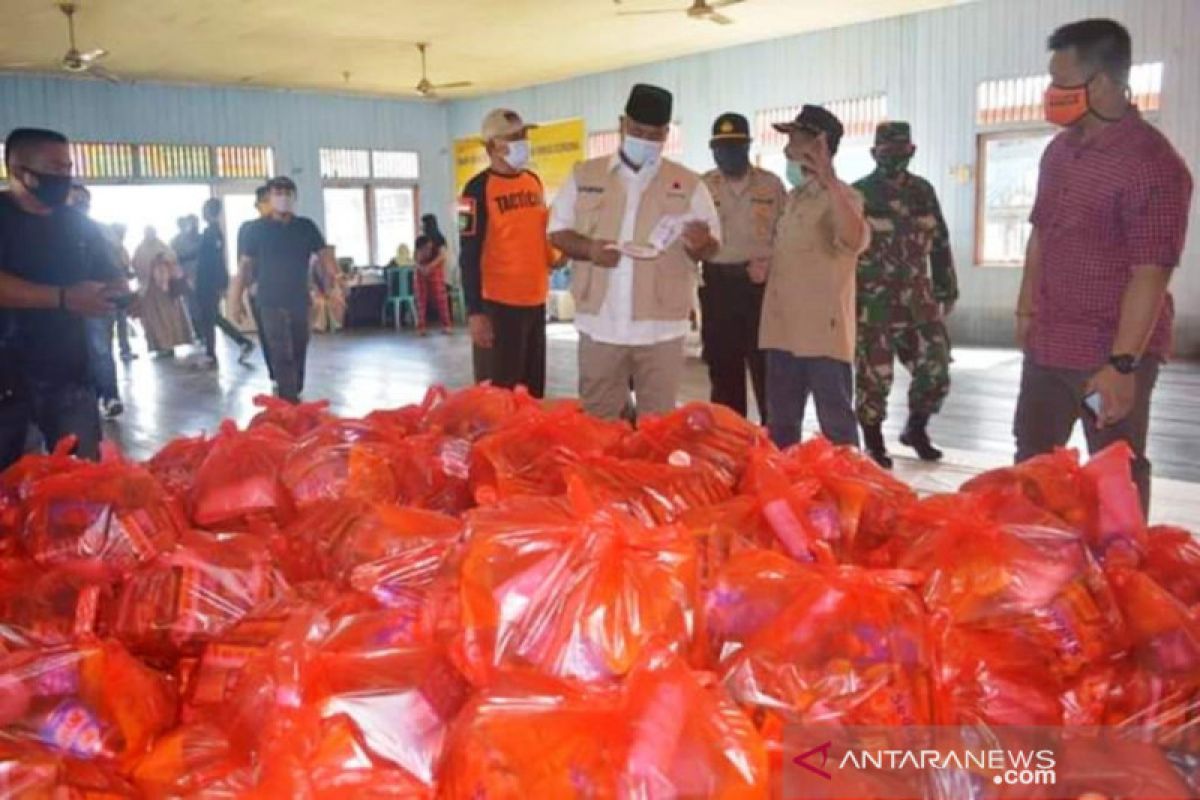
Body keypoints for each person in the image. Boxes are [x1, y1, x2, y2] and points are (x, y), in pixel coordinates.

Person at [1014, 19, 1193, 516]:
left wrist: (1122, 366)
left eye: (1060, 82)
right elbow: (1041, 232)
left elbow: (1151, 272)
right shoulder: (1059, 152)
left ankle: (1122, 577)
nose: (1051, 94)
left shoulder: (1153, 164)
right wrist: (1027, 310)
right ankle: (1039, 571)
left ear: (1101, 83)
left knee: (1115, 474)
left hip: (1106, 354)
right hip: (1050, 344)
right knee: (1032, 466)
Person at [549, 84, 720, 420]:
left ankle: (646, 474)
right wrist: (588, 249)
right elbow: (557, 231)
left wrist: (702, 244)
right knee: (600, 422)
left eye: (654, 134)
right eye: (638, 130)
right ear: (622, 124)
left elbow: (713, 246)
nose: (645, 139)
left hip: (661, 328)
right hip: (600, 324)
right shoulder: (584, 176)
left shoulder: (689, 184)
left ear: (666, 134)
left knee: (658, 427)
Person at [0, 127, 127, 467]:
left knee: (82, 481)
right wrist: (62, 297)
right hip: (6, 380)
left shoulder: (77, 224)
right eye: (56, 168)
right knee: (10, 486)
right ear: (20, 171)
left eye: (68, 168)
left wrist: (118, 293)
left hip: (68, 373)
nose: (65, 177)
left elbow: (111, 274)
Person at [759, 105, 872, 449]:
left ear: (817, 146)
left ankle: (847, 497)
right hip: (781, 333)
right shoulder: (793, 199)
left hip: (823, 336)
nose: (787, 149)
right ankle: (787, 496)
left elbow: (855, 240)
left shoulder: (844, 197)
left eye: (794, 140)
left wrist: (830, 179)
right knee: (780, 429)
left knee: (837, 428)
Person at [853, 122, 958, 468]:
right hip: (874, 305)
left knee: (936, 369)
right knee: (874, 378)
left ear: (911, 152)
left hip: (918, 303)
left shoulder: (923, 192)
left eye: (901, 152)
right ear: (874, 154)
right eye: (887, 153)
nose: (894, 159)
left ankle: (916, 429)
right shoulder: (859, 195)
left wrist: (946, 288)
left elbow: (939, 242)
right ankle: (874, 442)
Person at [458, 108, 559, 397]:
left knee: (531, 392)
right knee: (499, 395)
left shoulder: (533, 181)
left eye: (524, 135)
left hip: (535, 300)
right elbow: (468, 253)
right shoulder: (474, 191)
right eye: (514, 137)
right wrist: (475, 312)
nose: (523, 141)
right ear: (492, 147)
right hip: (498, 305)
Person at [700, 112, 786, 422]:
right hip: (717, 287)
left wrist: (772, 265)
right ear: (712, 149)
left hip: (760, 288)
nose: (728, 154)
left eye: (736, 146)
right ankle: (730, 440)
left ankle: (773, 444)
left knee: (767, 370)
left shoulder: (771, 185)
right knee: (723, 371)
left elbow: (787, 237)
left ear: (748, 147)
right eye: (721, 148)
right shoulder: (701, 187)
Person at [232, 175, 337, 403]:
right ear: (269, 197)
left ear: (295, 197)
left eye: (288, 193)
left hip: (299, 298)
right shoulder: (255, 230)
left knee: (299, 346)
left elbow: (324, 256)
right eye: (278, 193)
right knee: (280, 351)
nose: (283, 198)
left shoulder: (305, 227)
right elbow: (244, 266)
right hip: (269, 300)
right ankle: (289, 400)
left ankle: (293, 388)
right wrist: (236, 298)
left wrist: (334, 282)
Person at [68, 183, 124, 418]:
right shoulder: (49, 232)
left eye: (84, 201)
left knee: (100, 349)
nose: (81, 205)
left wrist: (120, 291)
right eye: (76, 200)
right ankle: (91, 396)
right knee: (86, 352)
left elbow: (114, 265)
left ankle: (109, 396)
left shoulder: (97, 231)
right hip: (64, 303)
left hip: (97, 299)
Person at [195, 197, 255, 368]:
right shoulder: (211, 231)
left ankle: (214, 352)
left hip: (209, 282)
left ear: (209, 212)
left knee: (210, 317)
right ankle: (241, 342)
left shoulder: (212, 232)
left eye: (205, 210)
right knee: (213, 317)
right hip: (207, 281)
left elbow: (215, 261)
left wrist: (220, 283)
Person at [132, 226, 193, 357]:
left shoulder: (163, 246)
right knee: (155, 321)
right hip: (151, 292)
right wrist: (152, 264)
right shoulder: (140, 250)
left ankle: (171, 343)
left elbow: (172, 258)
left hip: (167, 291)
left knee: (169, 319)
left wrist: (163, 261)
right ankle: (160, 345)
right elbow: (137, 264)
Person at [238, 185, 274, 380]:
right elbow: (243, 262)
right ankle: (276, 374)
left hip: (287, 289)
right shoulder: (248, 229)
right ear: (257, 205)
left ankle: (290, 375)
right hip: (259, 289)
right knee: (267, 332)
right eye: (266, 201)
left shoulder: (288, 227)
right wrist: (245, 289)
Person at [108, 222, 137, 362]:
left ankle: (124, 349)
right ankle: (110, 352)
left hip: (121, 289)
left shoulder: (121, 248)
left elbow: (127, 268)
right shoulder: (108, 248)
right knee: (110, 322)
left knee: (122, 321)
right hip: (110, 290)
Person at [413, 234, 452, 336]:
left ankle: (446, 325)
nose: (428, 251)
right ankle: (421, 327)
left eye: (429, 248)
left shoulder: (439, 241)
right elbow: (415, 262)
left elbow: (442, 257)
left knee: (440, 299)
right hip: (421, 273)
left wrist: (430, 267)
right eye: (425, 249)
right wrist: (422, 268)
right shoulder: (418, 249)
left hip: (435, 271)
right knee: (421, 300)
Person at [171, 214, 203, 337]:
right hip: (185, 276)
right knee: (192, 306)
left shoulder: (202, 238)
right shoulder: (175, 241)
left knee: (204, 307)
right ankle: (198, 332)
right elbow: (173, 259)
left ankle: (202, 332)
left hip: (202, 277)